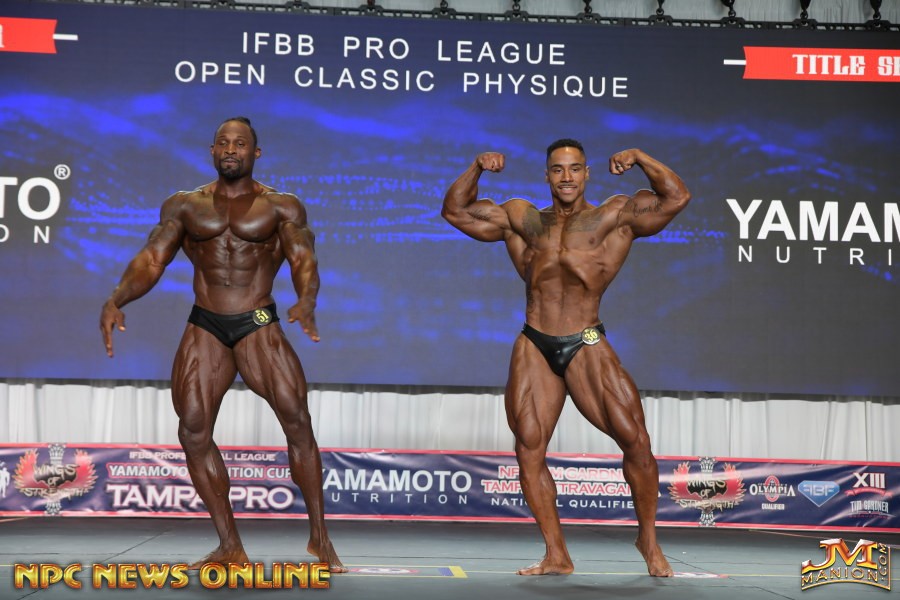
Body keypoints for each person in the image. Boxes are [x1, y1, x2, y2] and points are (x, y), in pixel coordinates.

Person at [99, 116, 345, 572]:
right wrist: (117, 299)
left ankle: (320, 538)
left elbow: (303, 257)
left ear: (256, 152)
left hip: (257, 321)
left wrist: (307, 300)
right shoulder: (184, 205)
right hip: (206, 324)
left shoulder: (281, 206)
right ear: (212, 150)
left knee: (297, 423)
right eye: (224, 143)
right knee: (192, 431)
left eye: (241, 144)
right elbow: (152, 259)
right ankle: (230, 544)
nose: (231, 149)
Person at [442, 141, 690, 577]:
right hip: (535, 340)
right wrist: (476, 167)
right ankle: (556, 553)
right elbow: (455, 211)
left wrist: (640, 157)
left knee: (635, 440)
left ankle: (648, 541)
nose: (567, 177)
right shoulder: (523, 218)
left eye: (575, 169)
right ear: (547, 176)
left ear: (587, 173)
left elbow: (676, 197)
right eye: (558, 170)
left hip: (585, 338)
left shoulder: (613, 216)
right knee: (529, 445)